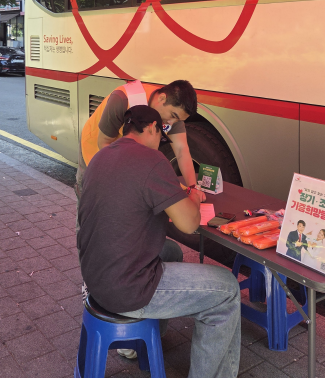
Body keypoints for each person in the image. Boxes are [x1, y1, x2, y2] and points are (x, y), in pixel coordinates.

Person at [77, 105, 241, 378]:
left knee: (171, 251)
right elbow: (189, 224)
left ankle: (145, 341)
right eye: (161, 135)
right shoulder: (151, 159)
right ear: (153, 127)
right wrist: (191, 195)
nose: (161, 143)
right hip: (126, 289)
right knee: (227, 290)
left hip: (94, 278)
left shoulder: (101, 155)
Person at [77, 79, 202, 203]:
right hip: (95, 150)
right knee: (90, 201)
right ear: (162, 98)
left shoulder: (173, 115)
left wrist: (193, 188)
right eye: (173, 116)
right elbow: (104, 143)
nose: (172, 123)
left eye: (178, 120)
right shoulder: (123, 99)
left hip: (126, 154)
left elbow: (181, 150)